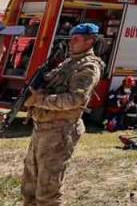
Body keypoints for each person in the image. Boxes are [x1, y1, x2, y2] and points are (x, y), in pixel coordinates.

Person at [21, 22, 104, 206]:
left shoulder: (88, 67)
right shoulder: (69, 62)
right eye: (71, 37)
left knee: (47, 191)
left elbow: (75, 99)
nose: (71, 42)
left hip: (60, 131)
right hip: (43, 128)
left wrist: (40, 100)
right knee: (30, 186)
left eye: (77, 38)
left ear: (90, 41)